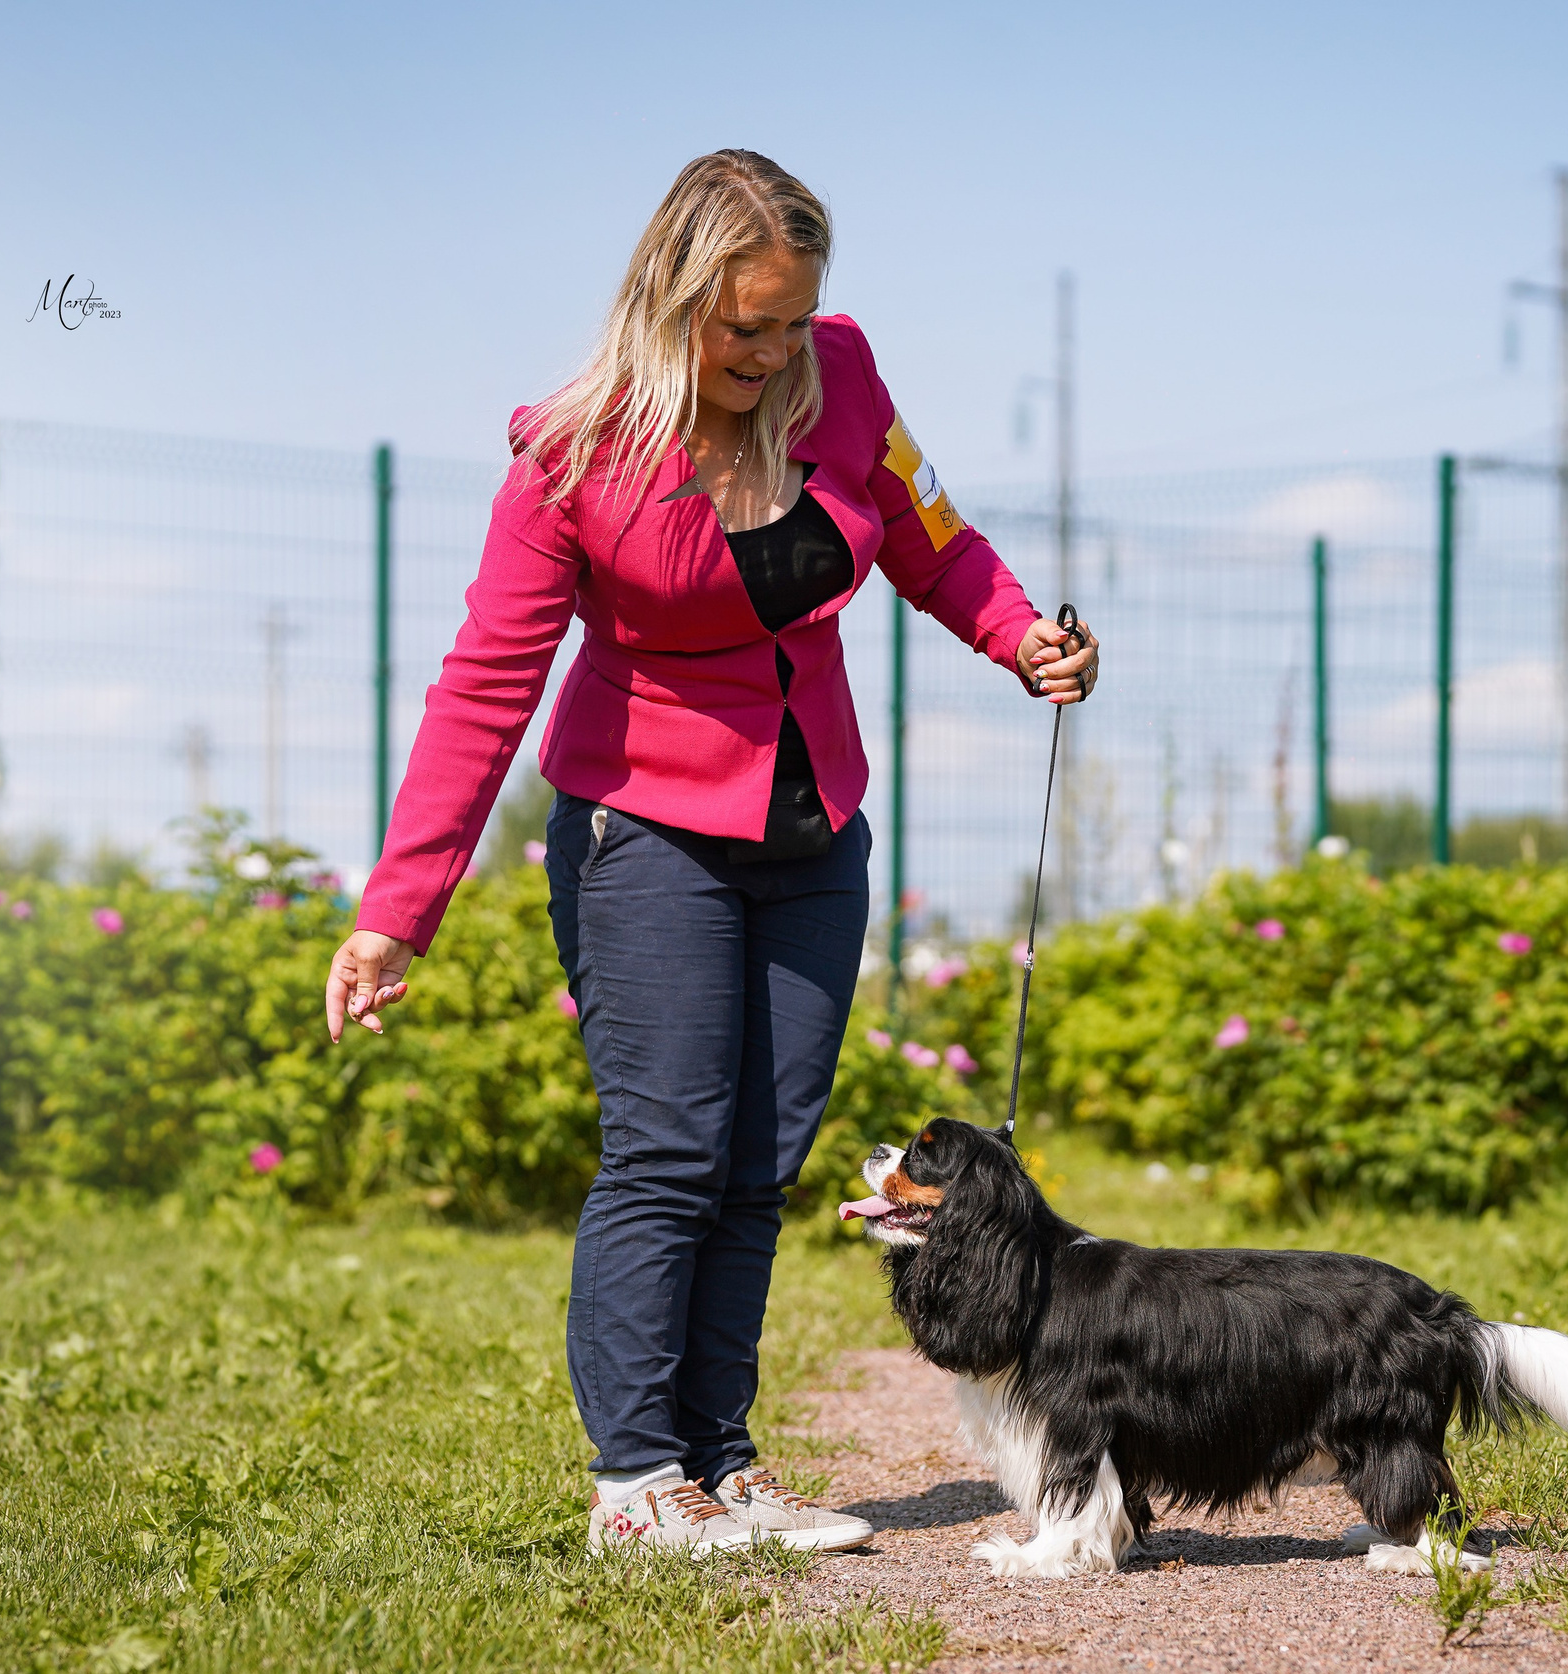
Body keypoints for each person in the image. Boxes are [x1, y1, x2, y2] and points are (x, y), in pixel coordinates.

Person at [319, 150, 1097, 1556]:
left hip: (814, 833)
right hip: (647, 831)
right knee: (671, 1144)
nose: (773, 351)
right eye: (744, 326)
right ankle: (635, 1481)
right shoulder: (576, 455)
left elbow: (932, 538)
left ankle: (721, 1462)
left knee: (763, 1156)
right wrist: (397, 911)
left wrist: (1019, 632)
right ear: (673, 299)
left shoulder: (843, 377)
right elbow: (486, 685)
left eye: (793, 319)